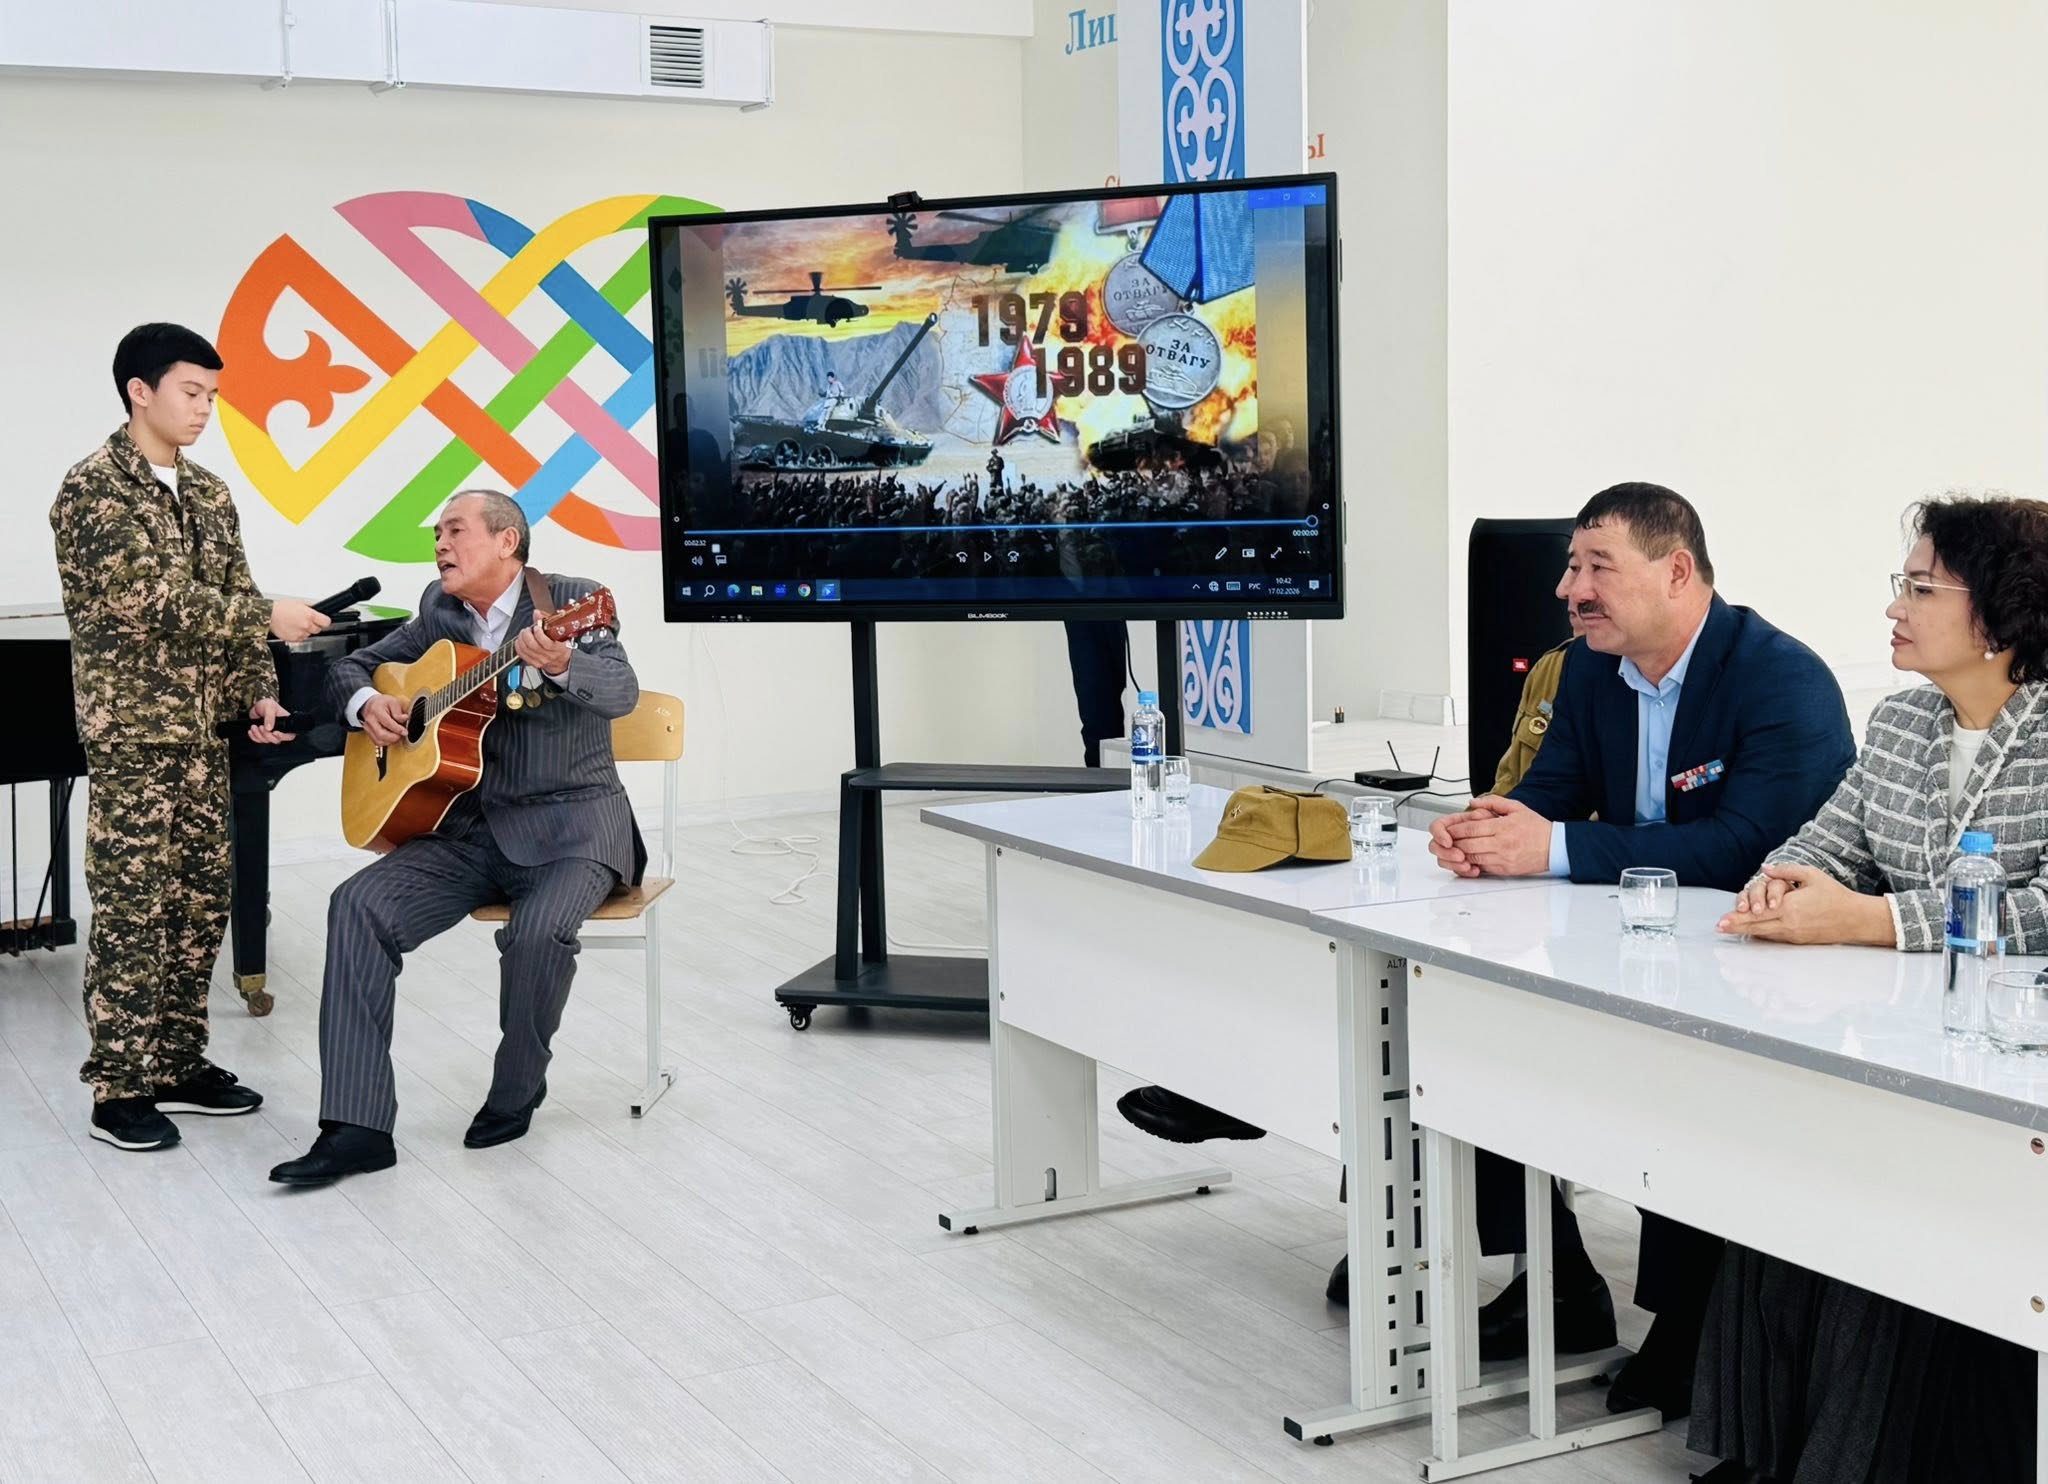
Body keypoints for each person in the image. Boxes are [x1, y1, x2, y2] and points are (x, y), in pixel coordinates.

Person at [1428, 482, 1856, 1418]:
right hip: (1641, 941)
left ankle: (1689, 1319)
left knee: (1675, 1077)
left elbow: (1752, 848)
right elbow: (1550, 796)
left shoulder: (1781, 679)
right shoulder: (1589, 669)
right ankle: (1553, 1275)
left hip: (1767, 965)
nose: (1569, 590)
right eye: (1569, 567)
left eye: (1597, 568)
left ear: (1677, 571)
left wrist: (1553, 848)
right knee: (1467, 1014)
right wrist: (1489, 832)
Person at [1690, 495, 2048, 1484]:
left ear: (2001, 612)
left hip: (2008, 1062)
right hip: (1899, 1037)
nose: (1894, 606)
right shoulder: (1898, 722)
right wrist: (1780, 884)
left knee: (1879, 1200)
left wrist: (1869, 919)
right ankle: (1766, 1448)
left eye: (1920, 587)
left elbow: (2044, 908)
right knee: (1782, 1175)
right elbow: (1820, 842)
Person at [268, 490, 641, 1185]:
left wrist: (562, 665)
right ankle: (355, 1127)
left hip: (572, 829)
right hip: (467, 830)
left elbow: (621, 693)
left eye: (455, 530)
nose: (440, 544)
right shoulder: (440, 612)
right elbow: (349, 667)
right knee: (358, 905)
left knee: (537, 933)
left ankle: (517, 1090)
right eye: (437, 533)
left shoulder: (572, 601)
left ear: (507, 541)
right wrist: (368, 705)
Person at [49, 323, 331, 1152]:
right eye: (191, 392)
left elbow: (233, 592)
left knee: (200, 902)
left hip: (205, 732)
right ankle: (118, 1087)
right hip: (135, 736)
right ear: (140, 391)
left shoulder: (208, 492)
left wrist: (259, 691)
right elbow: (151, 601)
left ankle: (177, 1062)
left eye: (212, 394)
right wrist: (266, 614)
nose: (206, 408)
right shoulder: (93, 489)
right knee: (134, 910)